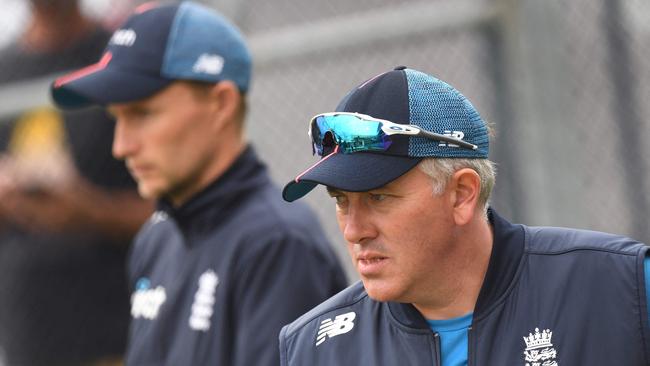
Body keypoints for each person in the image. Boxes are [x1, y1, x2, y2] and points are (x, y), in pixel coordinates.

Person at [279, 66, 650, 365]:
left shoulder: (625, 286)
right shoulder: (313, 348)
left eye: (379, 197)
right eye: (342, 201)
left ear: (461, 195)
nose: (354, 230)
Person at [50, 2, 347, 365]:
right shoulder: (156, 237)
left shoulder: (277, 244)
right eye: (117, 119)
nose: (121, 146)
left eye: (142, 114)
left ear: (221, 104)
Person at [0, 0, 152, 365]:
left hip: (116, 330)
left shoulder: (120, 56)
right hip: (28, 333)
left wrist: (90, 211)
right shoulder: (5, 71)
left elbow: (172, 210)